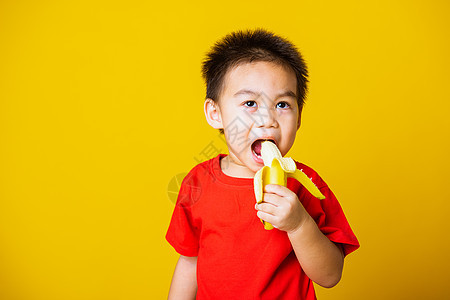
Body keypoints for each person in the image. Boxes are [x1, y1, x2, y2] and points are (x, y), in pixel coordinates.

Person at [166, 28, 360, 300]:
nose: (267, 119)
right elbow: (189, 262)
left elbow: (330, 275)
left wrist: (298, 224)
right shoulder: (197, 183)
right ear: (215, 114)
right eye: (250, 103)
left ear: (299, 118)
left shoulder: (305, 184)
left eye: (282, 104)